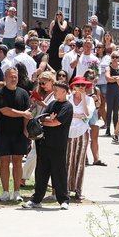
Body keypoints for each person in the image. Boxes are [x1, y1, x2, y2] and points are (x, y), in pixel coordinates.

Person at [22, 82, 74, 210]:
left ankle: (63, 200)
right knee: (41, 172)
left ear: (64, 91)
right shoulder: (52, 104)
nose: (54, 92)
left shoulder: (67, 107)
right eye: (54, 89)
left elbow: (56, 122)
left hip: (58, 145)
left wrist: (49, 121)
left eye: (57, 90)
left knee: (59, 173)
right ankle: (36, 199)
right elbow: (41, 119)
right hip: (44, 143)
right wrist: (48, 120)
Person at [0, 67, 31, 202]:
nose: (13, 79)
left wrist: (26, 130)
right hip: (3, 132)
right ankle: (5, 192)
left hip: (19, 133)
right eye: (11, 76)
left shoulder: (24, 93)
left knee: (17, 161)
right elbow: (5, 111)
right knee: (4, 161)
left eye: (15, 77)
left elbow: (28, 113)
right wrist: (22, 114)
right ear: (5, 77)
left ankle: (16, 192)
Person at [65, 76, 94, 200]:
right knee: (68, 160)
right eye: (78, 86)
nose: (81, 88)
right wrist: (77, 115)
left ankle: (78, 189)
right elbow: (66, 114)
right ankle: (65, 189)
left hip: (82, 132)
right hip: (68, 132)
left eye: (83, 86)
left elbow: (87, 115)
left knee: (80, 161)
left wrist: (82, 98)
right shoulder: (68, 99)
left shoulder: (88, 100)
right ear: (73, 87)